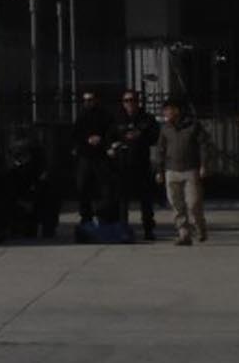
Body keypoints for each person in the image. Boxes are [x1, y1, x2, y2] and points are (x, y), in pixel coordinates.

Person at [156, 93, 211, 245]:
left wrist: (203, 165)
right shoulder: (165, 128)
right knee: (176, 204)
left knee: (193, 204)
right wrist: (159, 171)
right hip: (171, 170)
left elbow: (204, 146)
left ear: (177, 110)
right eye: (164, 110)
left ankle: (200, 227)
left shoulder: (193, 126)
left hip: (190, 170)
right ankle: (184, 234)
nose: (165, 113)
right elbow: (161, 150)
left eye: (168, 110)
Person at [110, 88, 160, 242]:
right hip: (123, 165)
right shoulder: (117, 119)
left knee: (146, 200)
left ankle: (148, 229)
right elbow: (109, 137)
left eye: (132, 100)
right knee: (123, 201)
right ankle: (123, 230)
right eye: (126, 100)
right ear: (123, 103)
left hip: (141, 163)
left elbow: (155, 137)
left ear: (138, 102)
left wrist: (141, 135)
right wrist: (112, 146)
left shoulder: (147, 118)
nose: (130, 103)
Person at [71, 90, 114, 230]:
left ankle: (103, 216)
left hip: (101, 155)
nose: (88, 102)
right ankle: (86, 217)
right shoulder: (81, 116)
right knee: (82, 186)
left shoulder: (104, 115)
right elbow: (76, 134)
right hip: (86, 155)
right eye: (85, 100)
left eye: (90, 99)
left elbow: (110, 131)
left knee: (104, 187)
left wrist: (101, 140)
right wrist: (86, 140)